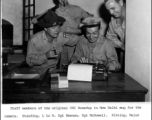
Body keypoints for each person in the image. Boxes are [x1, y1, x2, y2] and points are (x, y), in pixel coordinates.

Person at [31, 0, 94, 66]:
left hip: (75, 44)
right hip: (60, 44)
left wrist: (75, 30)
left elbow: (91, 21)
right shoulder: (53, 11)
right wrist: (35, 18)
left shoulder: (77, 9)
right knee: (61, 67)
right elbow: (38, 18)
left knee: (74, 67)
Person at [104, 0, 125, 72]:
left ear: (121, 2)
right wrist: (121, 45)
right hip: (126, 55)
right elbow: (110, 37)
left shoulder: (135, 15)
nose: (111, 13)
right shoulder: (113, 20)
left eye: (113, 8)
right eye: (108, 10)